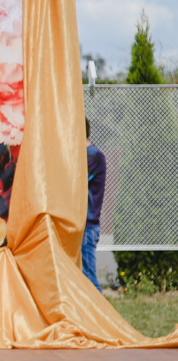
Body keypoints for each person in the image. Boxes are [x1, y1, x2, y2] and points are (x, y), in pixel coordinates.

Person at [84, 118, 106, 292]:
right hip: (82, 226)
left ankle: (102, 317)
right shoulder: (85, 155)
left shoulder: (93, 155)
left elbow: (75, 182)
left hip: (88, 227)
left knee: (88, 277)